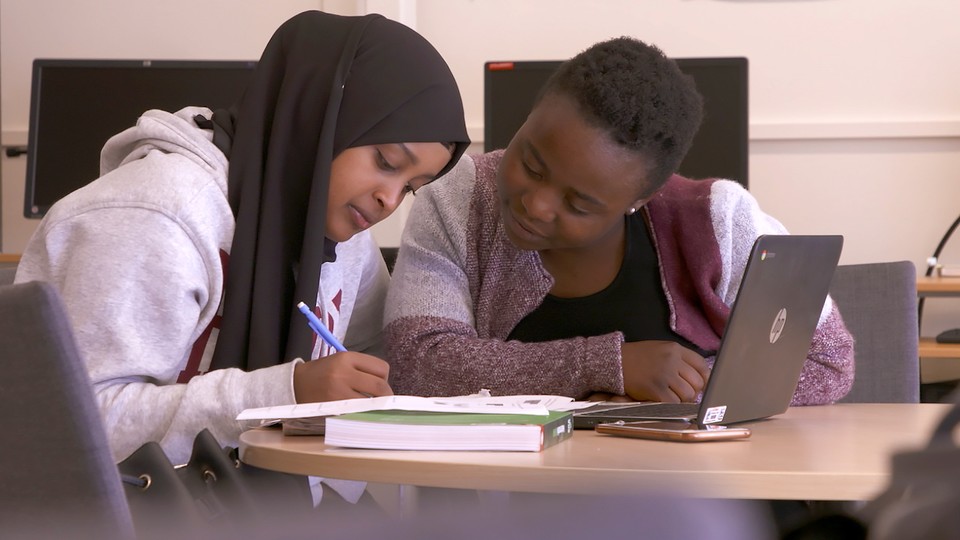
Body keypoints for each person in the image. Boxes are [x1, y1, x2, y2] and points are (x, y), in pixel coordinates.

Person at [14, 10, 468, 505]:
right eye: (386, 162)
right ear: (320, 118)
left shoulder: (343, 236)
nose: (389, 200)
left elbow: (378, 360)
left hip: (267, 514)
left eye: (411, 188)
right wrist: (284, 394)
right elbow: (78, 429)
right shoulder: (160, 213)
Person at [383, 36, 853, 405]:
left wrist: (680, 392)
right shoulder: (456, 198)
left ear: (640, 199)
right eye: (531, 164)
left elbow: (828, 362)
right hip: (515, 488)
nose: (537, 205)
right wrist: (606, 366)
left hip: (691, 485)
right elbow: (416, 364)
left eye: (579, 204)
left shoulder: (723, 221)